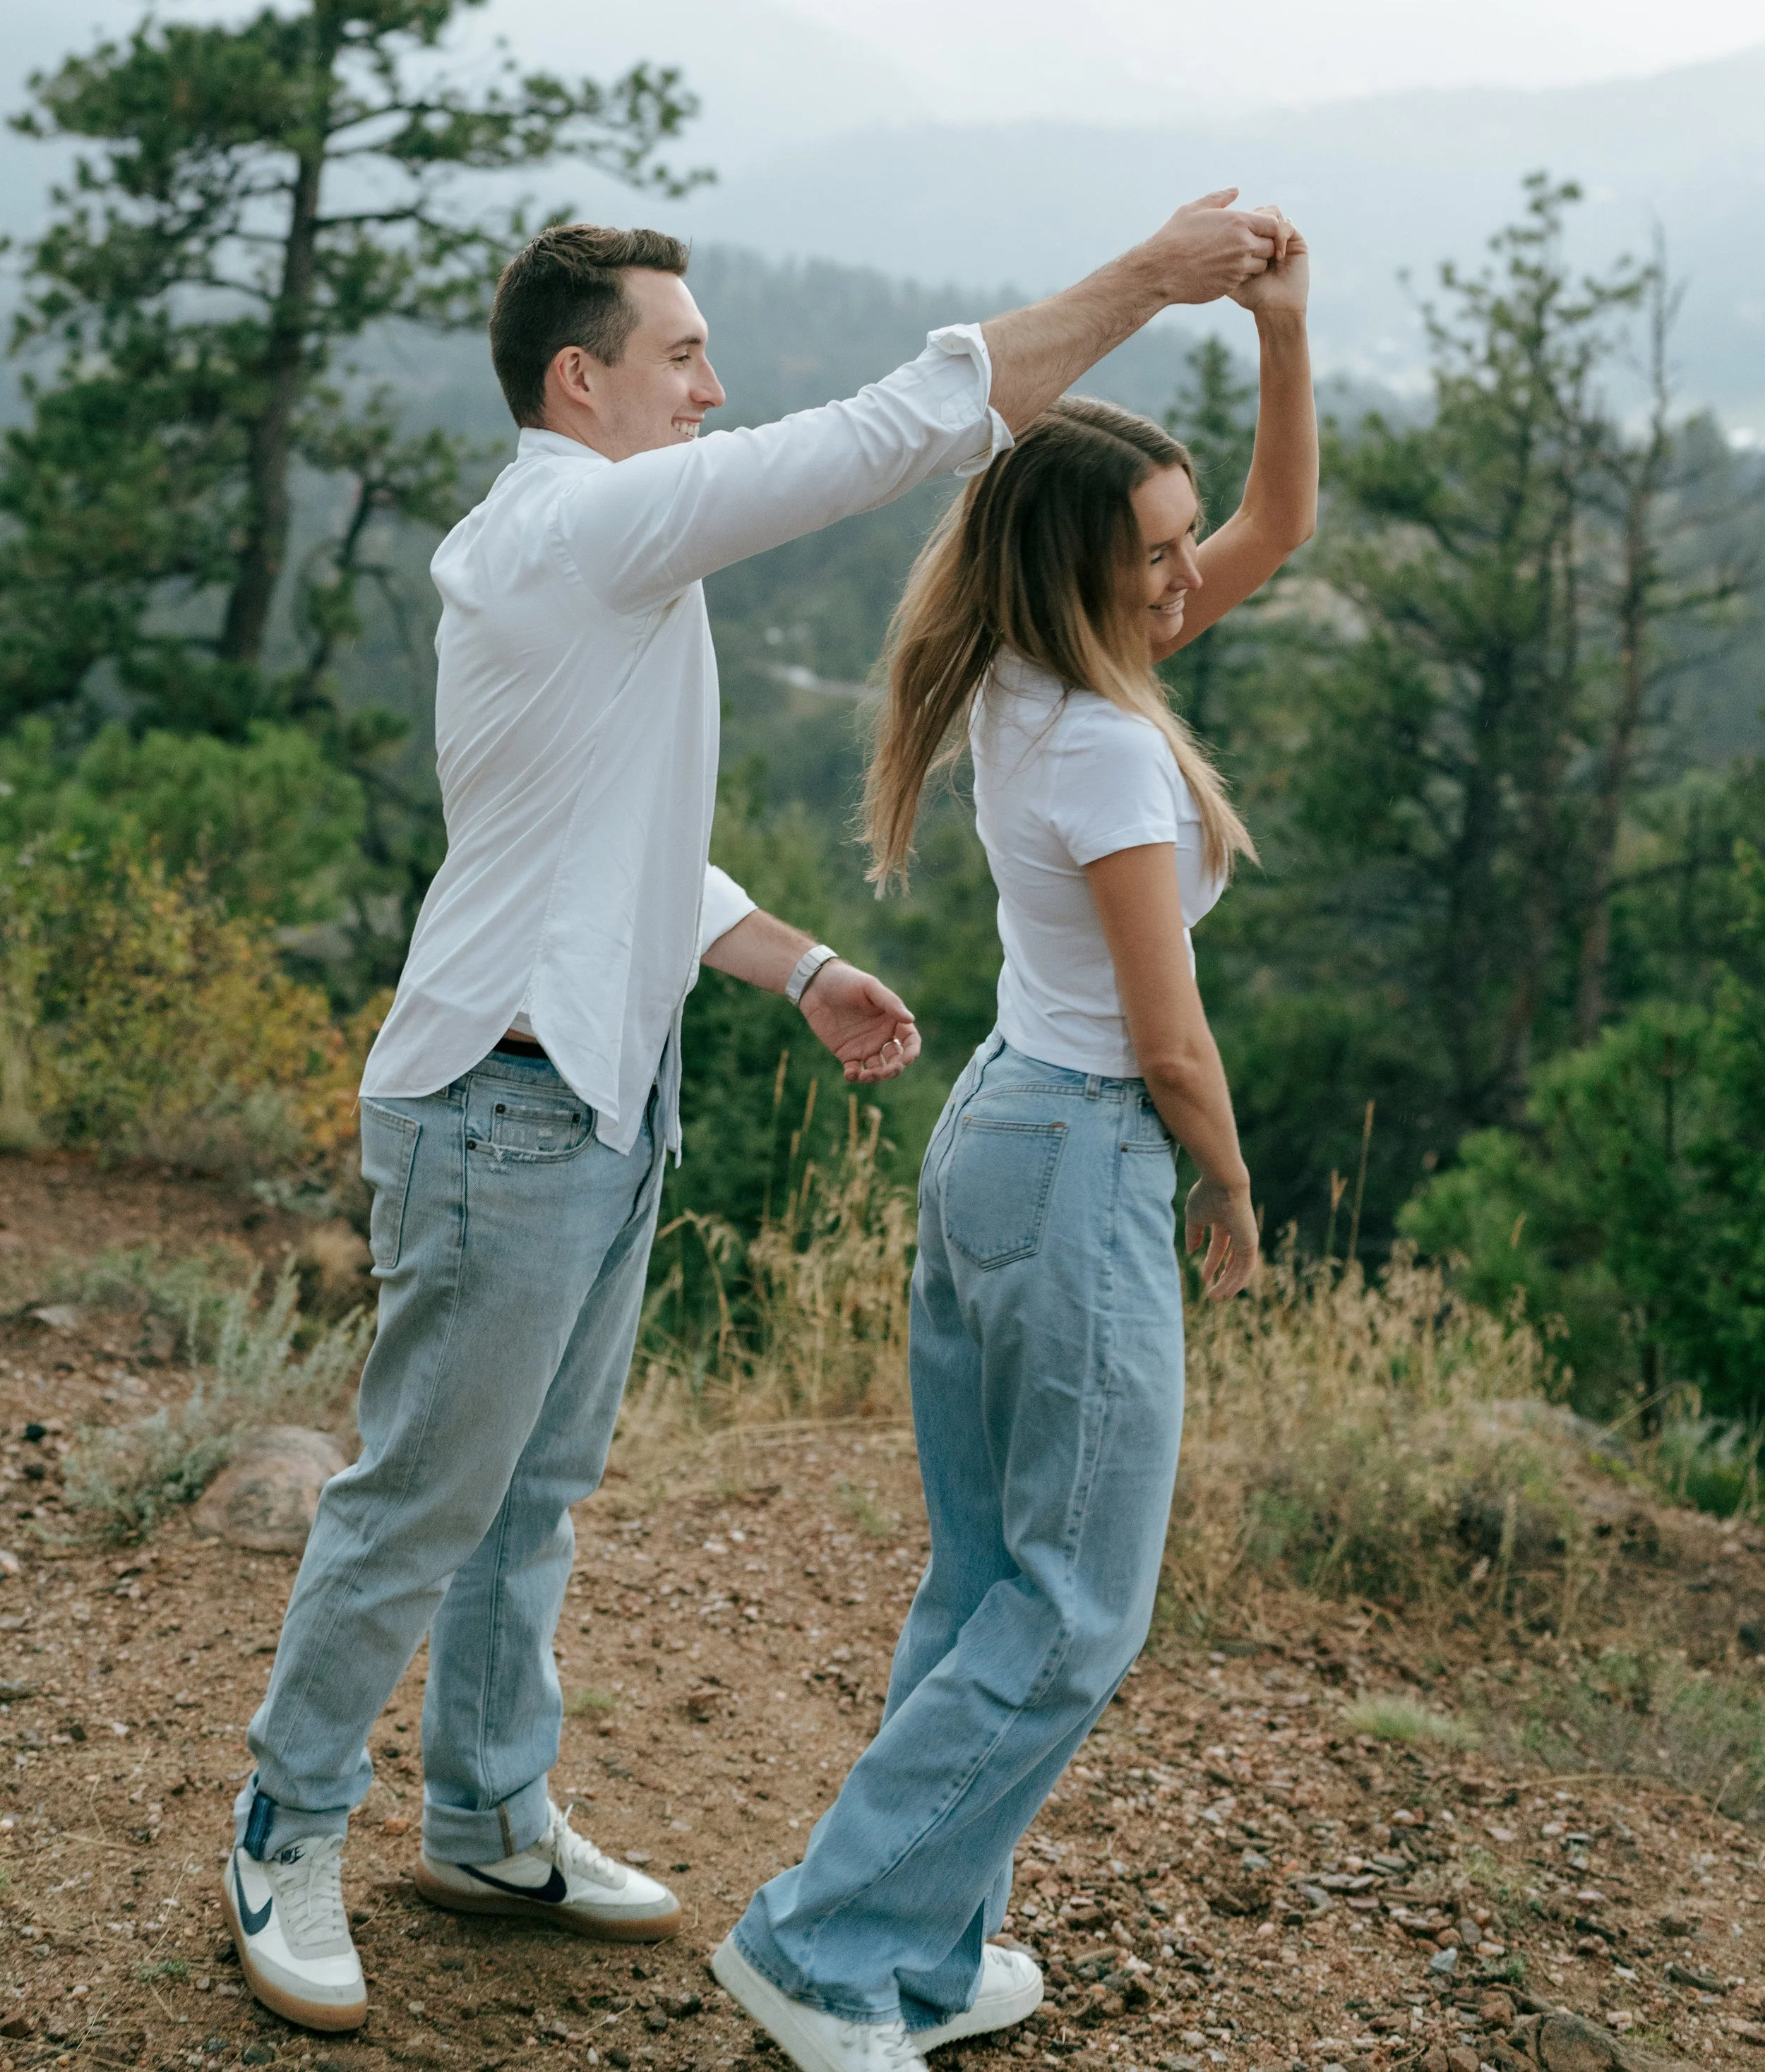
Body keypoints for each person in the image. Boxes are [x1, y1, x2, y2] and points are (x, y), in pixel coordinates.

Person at [220, 195, 1288, 2032]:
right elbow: (889, 430)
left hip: (596, 1091)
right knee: (419, 1495)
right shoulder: (582, 519)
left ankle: (483, 1814)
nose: (714, 382)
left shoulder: (591, 561)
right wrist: (1150, 280)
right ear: (584, 377)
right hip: (501, 1104)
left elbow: (606, 842)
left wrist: (794, 963)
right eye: (682, 354)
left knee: (532, 1491)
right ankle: (281, 1827)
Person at [712, 218, 1315, 2072]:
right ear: (1082, 570)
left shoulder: (1020, 677)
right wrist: (1224, 1189)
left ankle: (909, 1942)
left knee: (986, 1580)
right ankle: (817, 1945)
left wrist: (1283, 336)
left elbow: (1270, 534)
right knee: (1071, 1613)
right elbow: (1169, 1037)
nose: (1177, 578)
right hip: (1080, 1158)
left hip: (996, 1140)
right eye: (1149, 551)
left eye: (1173, 544)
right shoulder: (1114, 752)